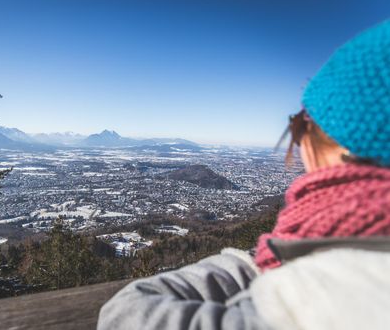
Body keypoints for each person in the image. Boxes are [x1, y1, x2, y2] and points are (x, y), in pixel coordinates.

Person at [97, 19, 390, 330]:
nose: (299, 143)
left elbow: (123, 315)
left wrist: (266, 259)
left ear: (344, 143)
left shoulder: (322, 298)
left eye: (301, 126)